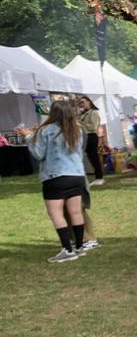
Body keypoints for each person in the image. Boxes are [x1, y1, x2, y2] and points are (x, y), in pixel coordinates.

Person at [18, 100, 89, 263]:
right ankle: (79, 247)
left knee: (56, 213)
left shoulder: (46, 130)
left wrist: (29, 137)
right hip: (76, 175)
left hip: (55, 176)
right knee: (76, 212)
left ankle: (67, 249)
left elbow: (38, 154)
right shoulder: (77, 129)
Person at [77, 96, 105, 185]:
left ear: (89, 102)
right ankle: (96, 177)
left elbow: (93, 127)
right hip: (84, 136)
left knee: (94, 157)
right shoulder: (82, 113)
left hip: (91, 136)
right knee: (90, 157)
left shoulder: (93, 113)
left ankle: (99, 177)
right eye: (80, 102)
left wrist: (80, 123)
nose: (81, 104)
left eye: (83, 102)